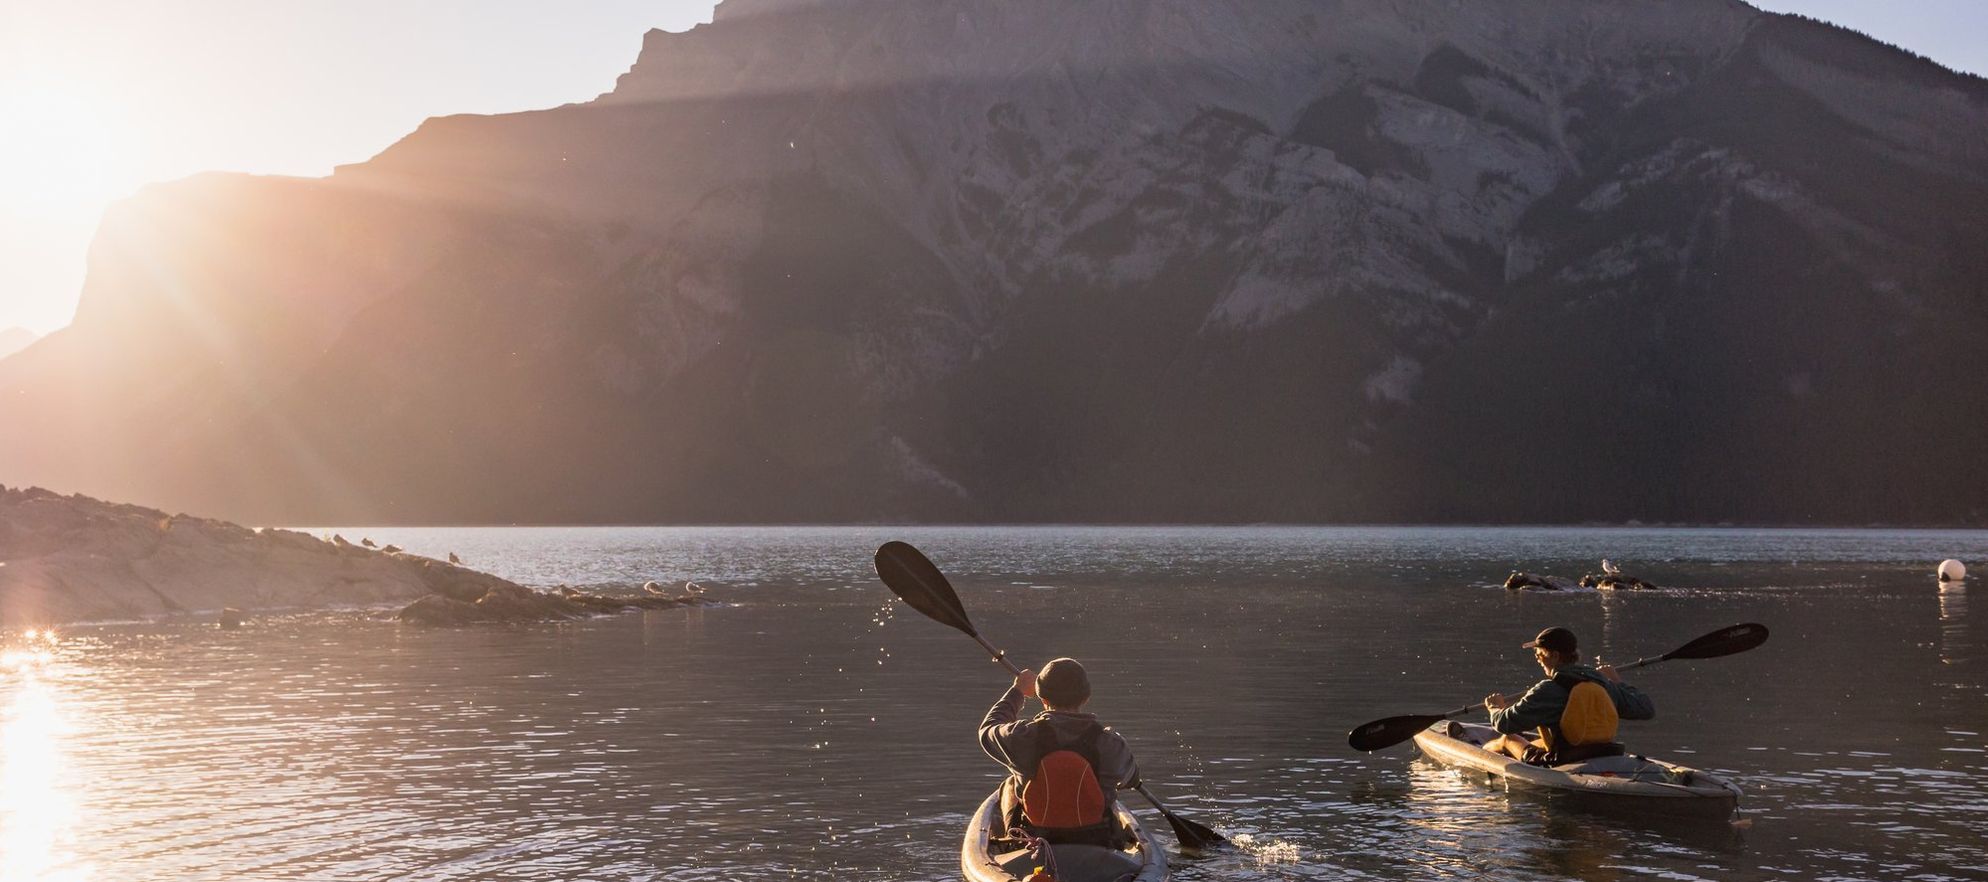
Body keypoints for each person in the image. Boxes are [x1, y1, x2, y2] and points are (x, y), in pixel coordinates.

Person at [978, 658, 1139, 846]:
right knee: (1108, 795)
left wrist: (1018, 692)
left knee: (1010, 784)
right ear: (1086, 698)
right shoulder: (1111, 744)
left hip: (1033, 840)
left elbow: (988, 729)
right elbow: (1131, 779)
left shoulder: (1022, 737)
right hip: (1098, 842)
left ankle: (1012, 843)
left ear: (1043, 699)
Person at [1483, 627, 1655, 764]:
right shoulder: (1603, 683)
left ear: (1555, 656)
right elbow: (1646, 709)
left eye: (1539, 654)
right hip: (1606, 751)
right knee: (1536, 742)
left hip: (1564, 758)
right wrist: (1617, 682)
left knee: (1508, 738)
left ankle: (1483, 757)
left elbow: (1504, 723)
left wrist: (1495, 708)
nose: (1538, 659)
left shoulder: (1549, 689)